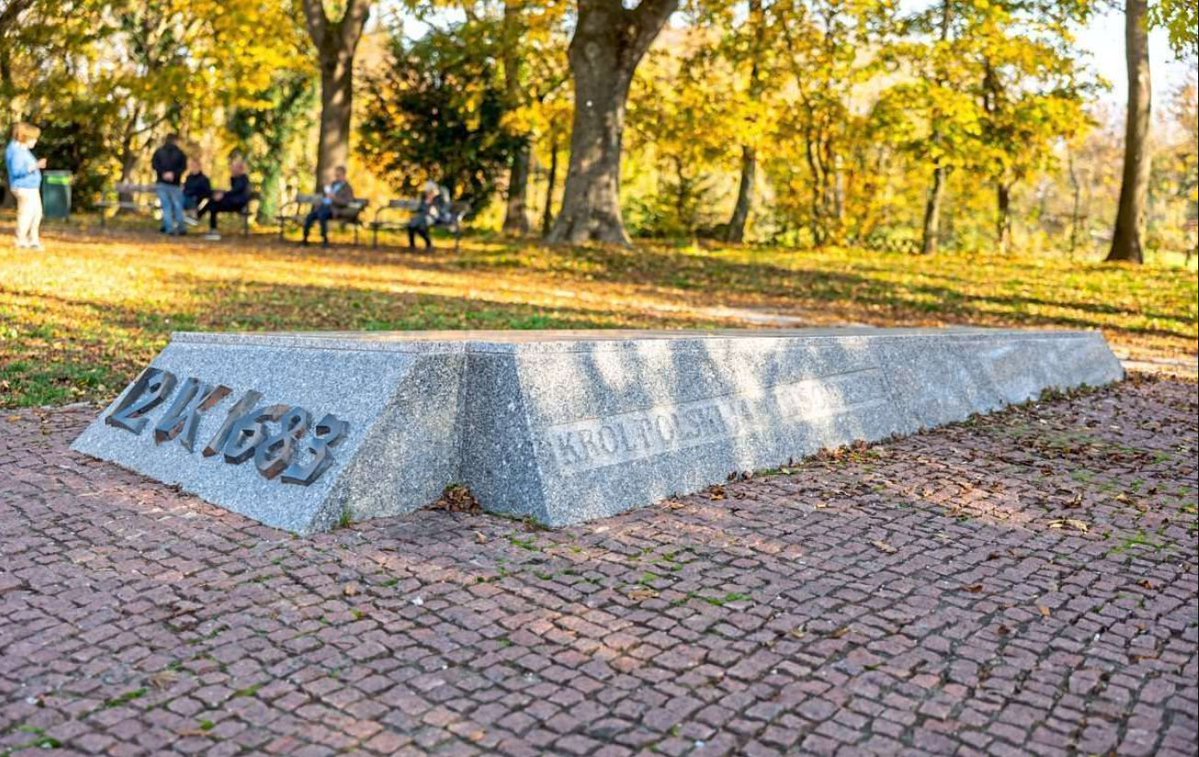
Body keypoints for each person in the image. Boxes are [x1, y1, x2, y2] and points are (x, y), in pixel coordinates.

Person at [5, 122, 46, 250]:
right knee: (26, 214)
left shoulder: (22, 150)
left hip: (31, 187)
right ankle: (21, 240)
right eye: (33, 139)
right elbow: (17, 170)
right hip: (23, 187)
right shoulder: (16, 151)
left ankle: (33, 240)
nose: (35, 142)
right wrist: (35, 166)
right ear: (24, 137)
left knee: (36, 213)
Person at [196, 157, 252, 240]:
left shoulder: (243, 179)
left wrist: (223, 195)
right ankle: (211, 229)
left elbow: (235, 191)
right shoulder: (236, 178)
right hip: (232, 201)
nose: (231, 169)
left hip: (237, 204)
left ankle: (199, 217)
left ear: (239, 169)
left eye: (233, 167)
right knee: (213, 204)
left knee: (213, 203)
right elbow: (232, 191)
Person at [302, 166, 356, 247]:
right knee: (310, 216)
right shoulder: (333, 184)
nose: (336, 177)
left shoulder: (348, 188)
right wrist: (325, 195)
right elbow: (325, 195)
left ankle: (325, 241)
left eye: (338, 175)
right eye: (336, 175)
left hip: (334, 210)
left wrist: (334, 198)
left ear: (344, 175)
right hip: (323, 207)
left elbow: (346, 202)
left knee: (321, 215)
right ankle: (305, 240)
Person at [151, 134, 188, 236]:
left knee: (166, 206)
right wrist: (174, 174)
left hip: (161, 183)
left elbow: (154, 165)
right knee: (177, 206)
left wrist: (163, 173)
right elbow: (183, 167)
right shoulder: (180, 153)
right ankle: (181, 227)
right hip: (175, 184)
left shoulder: (159, 152)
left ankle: (169, 228)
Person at [407, 181, 448, 250]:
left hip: (433, 217)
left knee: (421, 225)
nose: (429, 193)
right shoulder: (424, 198)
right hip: (422, 216)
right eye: (428, 191)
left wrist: (434, 209)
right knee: (412, 224)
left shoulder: (439, 198)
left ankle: (428, 243)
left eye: (430, 191)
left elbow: (441, 209)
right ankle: (412, 245)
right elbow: (420, 208)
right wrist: (427, 201)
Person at [181, 156, 212, 225]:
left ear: (199, 166)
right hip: (185, 197)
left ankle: (193, 216)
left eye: (194, 165)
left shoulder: (204, 179)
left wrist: (195, 194)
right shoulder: (188, 178)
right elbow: (185, 189)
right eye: (191, 165)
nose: (193, 167)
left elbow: (207, 192)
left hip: (196, 199)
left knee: (187, 198)